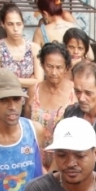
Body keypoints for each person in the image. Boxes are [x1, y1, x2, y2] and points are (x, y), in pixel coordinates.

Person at [25, 42, 75, 170]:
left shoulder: (74, 92)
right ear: (42, 65)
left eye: (59, 67)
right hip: (36, 160)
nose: (54, 72)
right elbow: (26, 128)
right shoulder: (33, 90)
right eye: (49, 66)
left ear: (66, 68)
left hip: (65, 161)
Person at [0, 3, 43, 90]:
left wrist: (8, 80)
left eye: (18, 24)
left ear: (23, 24)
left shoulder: (34, 48)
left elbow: (39, 81)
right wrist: (30, 81)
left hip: (31, 99)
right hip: (7, 99)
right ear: (3, 24)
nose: (15, 29)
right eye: (10, 24)